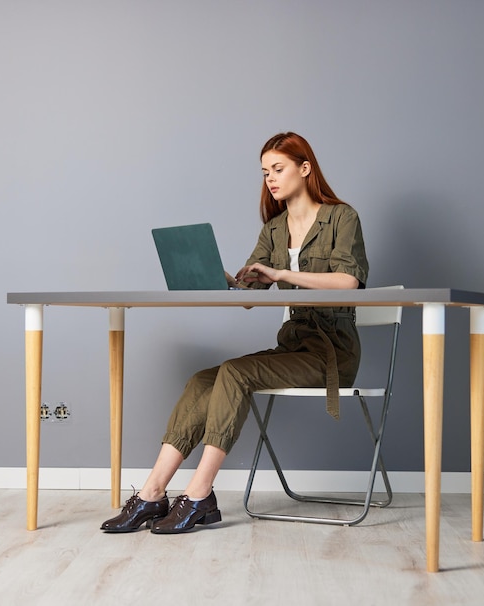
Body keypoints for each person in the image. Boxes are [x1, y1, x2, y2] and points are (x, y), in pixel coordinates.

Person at [100, 131, 369, 534]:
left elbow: (349, 282)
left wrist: (279, 273)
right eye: (265, 173)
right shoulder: (274, 229)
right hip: (292, 347)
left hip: (331, 354)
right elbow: (249, 296)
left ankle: (198, 495)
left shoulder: (341, 218)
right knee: (203, 380)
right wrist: (224, 279)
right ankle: (153, 494)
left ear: (305, 168)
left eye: (278, 169)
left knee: (236, 373)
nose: (271, 180)